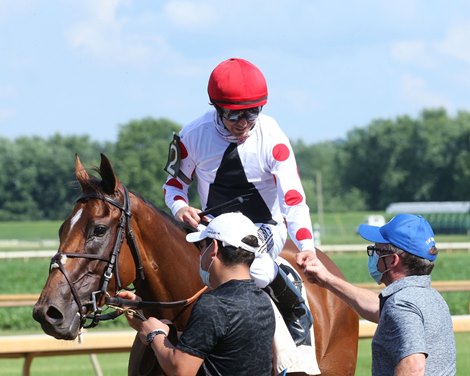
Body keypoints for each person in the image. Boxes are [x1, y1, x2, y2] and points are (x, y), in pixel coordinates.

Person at [163, 57, 314, 345]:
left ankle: (294, 308)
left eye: (252, 113)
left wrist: (306, 246)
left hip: (265, 227)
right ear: (217, 109)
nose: (244, 124)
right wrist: (180, 207)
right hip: (213, 229)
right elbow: (173, 185)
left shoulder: (273, 137)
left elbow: (293, 198)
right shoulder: (191, 135)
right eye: (234, 116)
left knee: (251, 267)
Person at [297, 214, 456, 375]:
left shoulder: (400, 304)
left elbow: (413, 366)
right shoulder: (432, 299)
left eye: (376, 250)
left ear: (393, 260)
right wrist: (327, 280)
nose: (373, 255)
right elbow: (377, 308)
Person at [120, 212, 275, 375]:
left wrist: (155, 336)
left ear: (213, 248)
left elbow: (180, 370)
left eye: (201, 247)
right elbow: (220, 348)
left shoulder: (213, 305)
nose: (201, 254)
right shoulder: (263, 301)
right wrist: (143, 318)